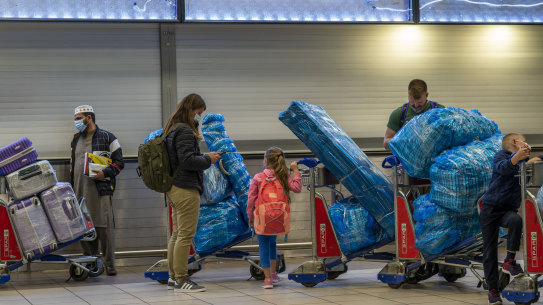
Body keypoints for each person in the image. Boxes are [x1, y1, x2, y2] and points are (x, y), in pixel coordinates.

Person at [164, 93, 221, 293]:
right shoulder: (185, 131)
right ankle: (181, 279)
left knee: (177, 234)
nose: (200, 117)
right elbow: (188, 160)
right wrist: (208, 159)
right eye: (199, 112)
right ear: (190, 109)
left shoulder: (171, 128)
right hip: (185, 188)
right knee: (186, 235)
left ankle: (172, 277)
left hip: (173, 187)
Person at [480, 133, 543, 305]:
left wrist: (535, 157)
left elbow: (534, 161)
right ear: (515, 142)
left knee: (516, 221)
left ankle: (509, 261)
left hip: (507, 210)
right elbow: (504, 168)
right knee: (490, 250)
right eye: (523, 140)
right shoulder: (501, 155)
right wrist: (518, 157)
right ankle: (493, 290)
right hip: (490, 209)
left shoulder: (522, 163)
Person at [70, 105, 124, 276]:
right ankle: (91, 262)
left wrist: (105, 173)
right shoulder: (75, 139)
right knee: (85, 229)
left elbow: (119, 162)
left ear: (89, 118)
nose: (76, 122)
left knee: (104, 228)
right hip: (79, 191)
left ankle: (109, 264)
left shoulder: (108, 137)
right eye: (75, 118)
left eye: (79, 118)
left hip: (101, 191)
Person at [246, 147, 302, 289]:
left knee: (264, 246)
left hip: (263, 218)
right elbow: (297, 188)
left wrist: (250, 217)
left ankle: (267, 279)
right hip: (278, 218)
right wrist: (295, 171)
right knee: (272, 244)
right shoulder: (283, 176)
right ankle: (274, 274)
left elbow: (251, 200)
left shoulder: (258, 177)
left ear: (266, 160)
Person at [383, 79, 445, 149]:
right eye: (412, 101)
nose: (415, 105)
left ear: (426, 95)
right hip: (406, 158)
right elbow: (386, 143)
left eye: (420, 102)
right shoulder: (399, 114)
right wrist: (403, 141)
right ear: (408, 95)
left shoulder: (440, 111)